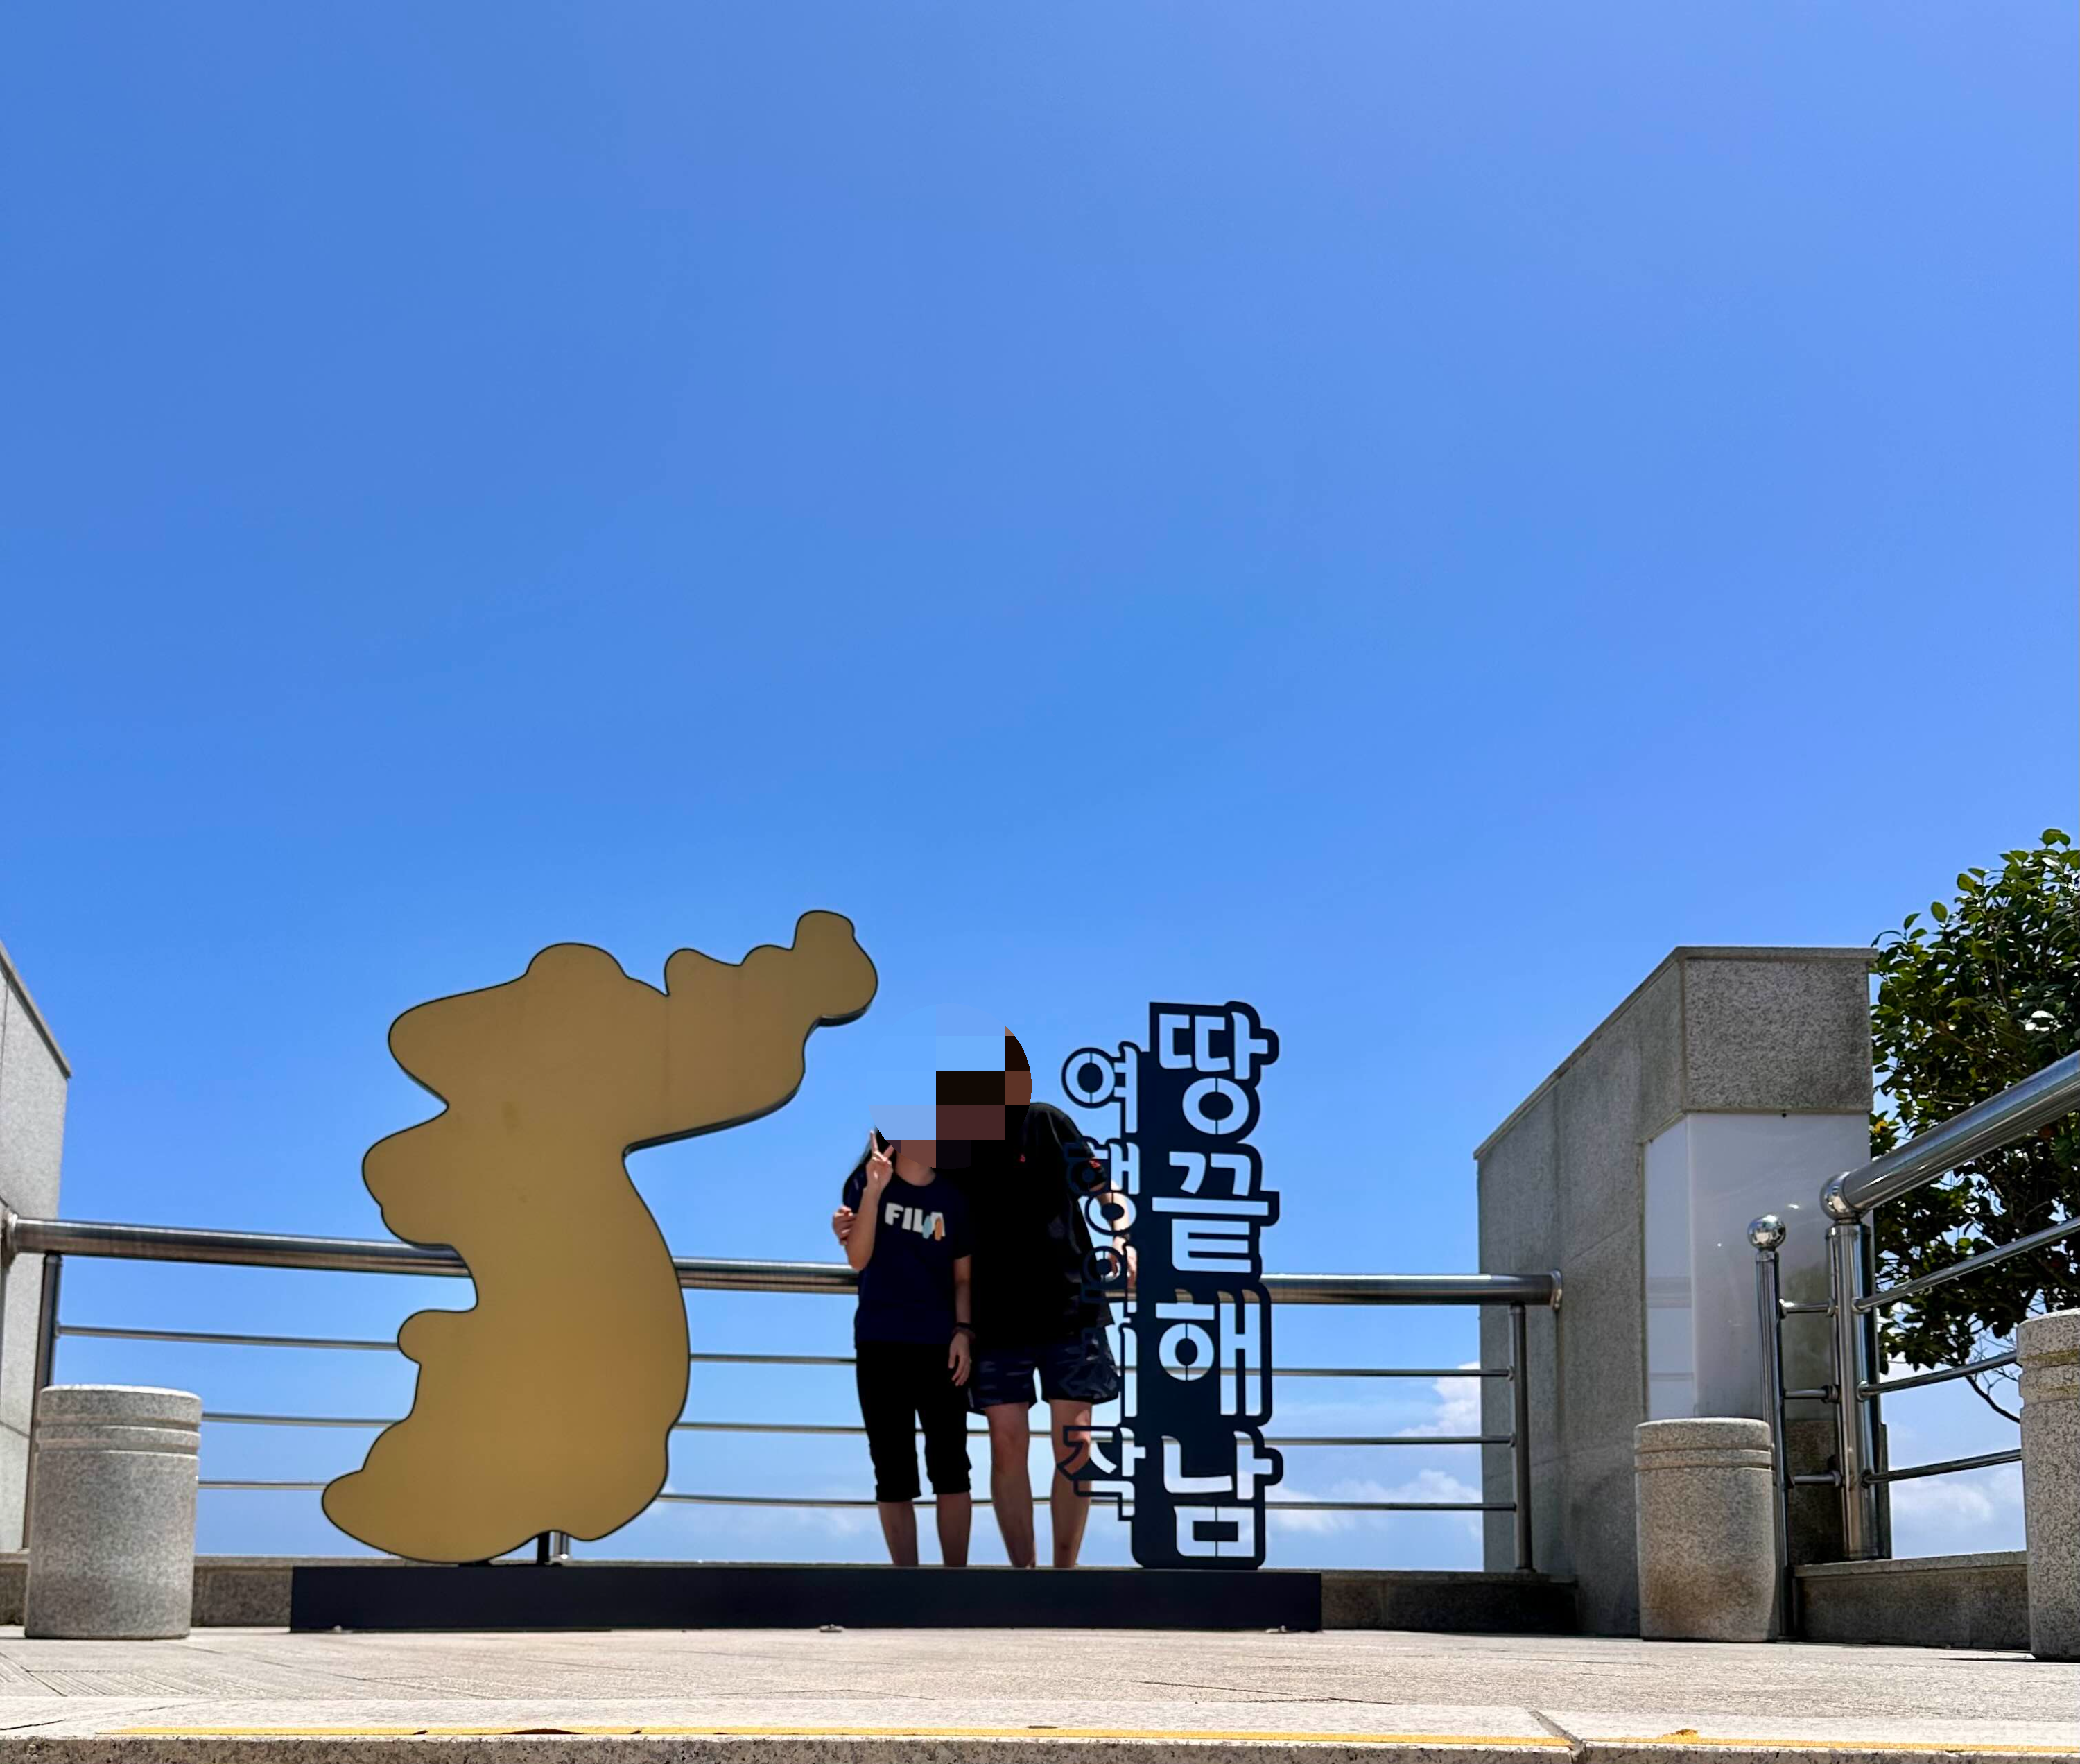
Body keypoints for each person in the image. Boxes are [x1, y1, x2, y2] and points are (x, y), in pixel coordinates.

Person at [835, 1032, 1120, 1568]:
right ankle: (1024, 1578)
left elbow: (1104, 1190)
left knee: (1076, 1442)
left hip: (1070, 1308)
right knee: (1007, 1446)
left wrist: (1126, 1237)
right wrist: (850, 1222)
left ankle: (1065, 1575)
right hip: (996, 1319)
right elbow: (906, 1192)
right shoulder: (951, 1148)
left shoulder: (1046, 1122)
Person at [838, 1129, 974, 1566]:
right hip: (880, 1341)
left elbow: (963, 1278)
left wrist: (964, 1332)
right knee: (892, 1470)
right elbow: (858, 1259)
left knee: (951, 1468)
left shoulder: (954, 1197)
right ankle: (908, 1584)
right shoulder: (866, 1182)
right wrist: (874, 1190)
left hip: (940, 1346)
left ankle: (955, 1584)